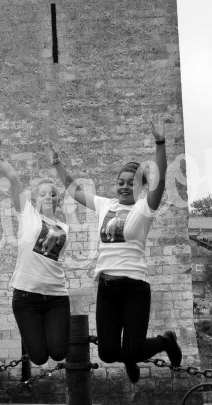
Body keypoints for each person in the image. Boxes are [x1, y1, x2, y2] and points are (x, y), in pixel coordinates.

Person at [50, 116, 182, 383]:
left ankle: (165, 342)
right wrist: (57, 163)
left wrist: (160, 142)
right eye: (120, 181)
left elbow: (160, 179)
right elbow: (74, 191)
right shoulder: (104, 205)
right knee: (109, 353)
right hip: (107, 289)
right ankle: (130, 358)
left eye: (131, 182)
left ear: (141, 186)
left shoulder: (144, 208)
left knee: (132, 348)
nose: (124, 186)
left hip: (135, 288)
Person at [0, 134, 69, 365]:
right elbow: (14, 178)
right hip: (26, 296)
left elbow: (56, 245)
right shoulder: (27, 215)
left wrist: (58, 163)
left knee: (59, 352)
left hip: (56, 296)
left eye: (53, 194)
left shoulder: (65, 227)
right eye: (43, 193)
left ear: (58, 201)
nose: (48, 196)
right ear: (34, 200)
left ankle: (52, 327)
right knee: (38, 357)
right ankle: (39, 329)